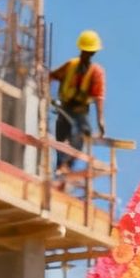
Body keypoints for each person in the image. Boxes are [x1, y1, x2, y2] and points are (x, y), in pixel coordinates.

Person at [49, 31, 108, 176]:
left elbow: (98, 96)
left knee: (81, 133)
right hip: (64, 107)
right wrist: (46, 94)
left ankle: (66, 166)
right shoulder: (71, 65)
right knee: (61, 138)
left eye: (90, 52)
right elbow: (52, 76)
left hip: (80, 110)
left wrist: (100, 120)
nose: (88, 54)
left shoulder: (96, 72)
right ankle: (60, 168)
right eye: (86, 52)